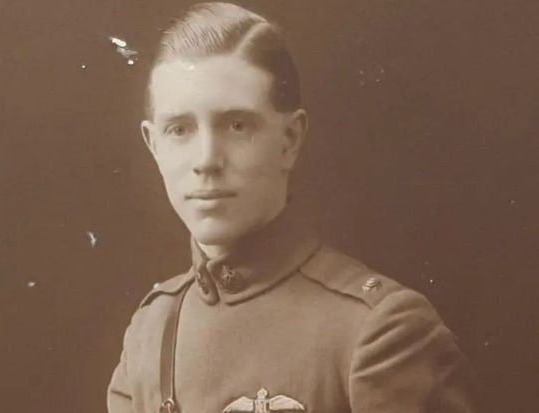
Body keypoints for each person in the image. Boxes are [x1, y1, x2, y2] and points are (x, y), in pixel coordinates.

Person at [107, 2, 476, 413]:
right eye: (180, 130)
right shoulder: (151, 332)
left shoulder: (377, 331)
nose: (206, 159)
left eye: (237, 125)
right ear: (153, 145)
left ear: (289, 140)